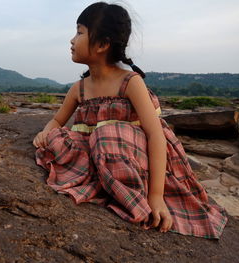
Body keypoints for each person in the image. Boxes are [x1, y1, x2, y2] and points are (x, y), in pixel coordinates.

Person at [33, 2, 228, 239]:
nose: (72, 40)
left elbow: (156, 134)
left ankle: (137, 197)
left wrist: (156, 196)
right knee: (59, 138)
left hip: (134, 154)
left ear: (103, 44)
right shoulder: (79, 89)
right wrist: (46, 132)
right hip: (100, 154)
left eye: (80, 32)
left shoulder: (130, 82)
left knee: (106, 135)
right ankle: (104, 180)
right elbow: (57, 121)